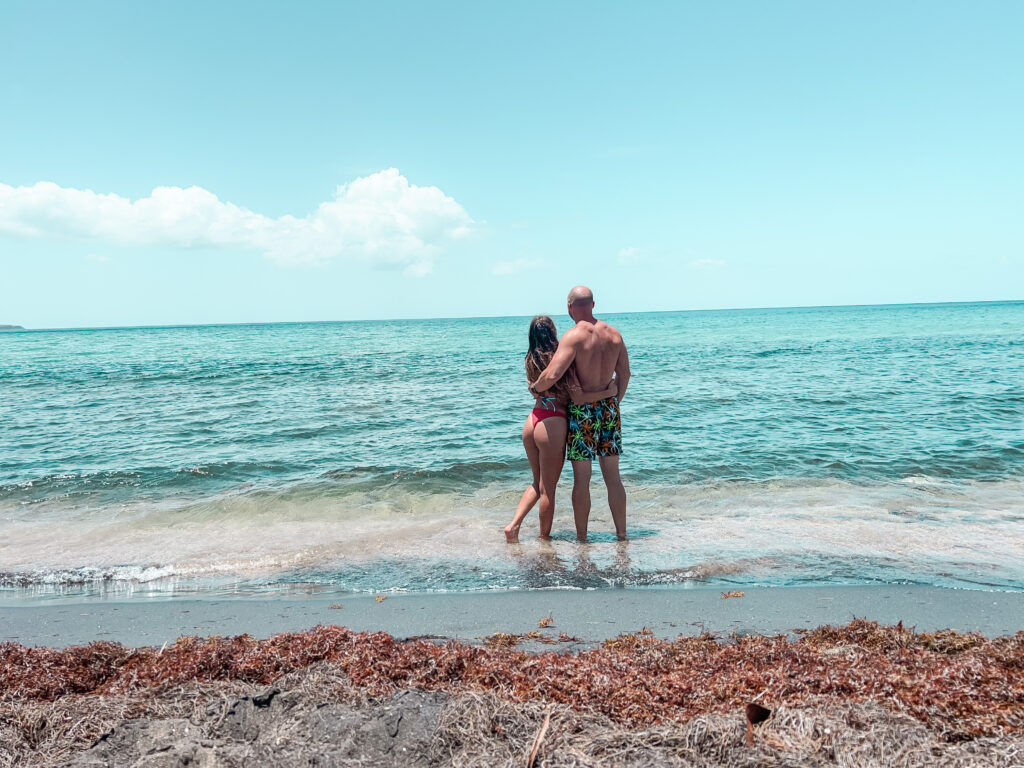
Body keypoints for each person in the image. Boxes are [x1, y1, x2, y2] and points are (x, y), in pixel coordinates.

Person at [528, 286, 631, 540]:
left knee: (582, 479)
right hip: (609, 409)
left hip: (582, 412)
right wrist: (613, 401)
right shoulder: (615, 335)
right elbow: (625, 374)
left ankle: (583, 538)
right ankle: (621, 535)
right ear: (593, 304)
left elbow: (552, 374)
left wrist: (535, 387)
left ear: (569, 307)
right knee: (613, 478)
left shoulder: (573, 336)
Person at [504, 316, 617, 543]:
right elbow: (577, 396)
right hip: (553, 422)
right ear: (553, 333)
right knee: (549, 490)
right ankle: (544, 540)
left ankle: (514, 525)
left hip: (533, 419)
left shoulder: (530, 359)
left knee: (537, 483)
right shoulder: (561, 359)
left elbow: (535, 389)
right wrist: (608, 392)